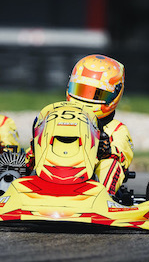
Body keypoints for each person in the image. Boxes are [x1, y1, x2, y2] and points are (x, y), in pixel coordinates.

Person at [27, 54, 133, 198]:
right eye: (81, 90)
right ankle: (10, 192)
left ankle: (104, 198)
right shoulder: (56, 118)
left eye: (97, 94)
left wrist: (107, 150)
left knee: (110, 163)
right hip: (47, 176)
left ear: (115, 95)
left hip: (90, 186)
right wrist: (33, 148)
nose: (86, 98)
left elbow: (123, 157)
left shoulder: (116, 129)